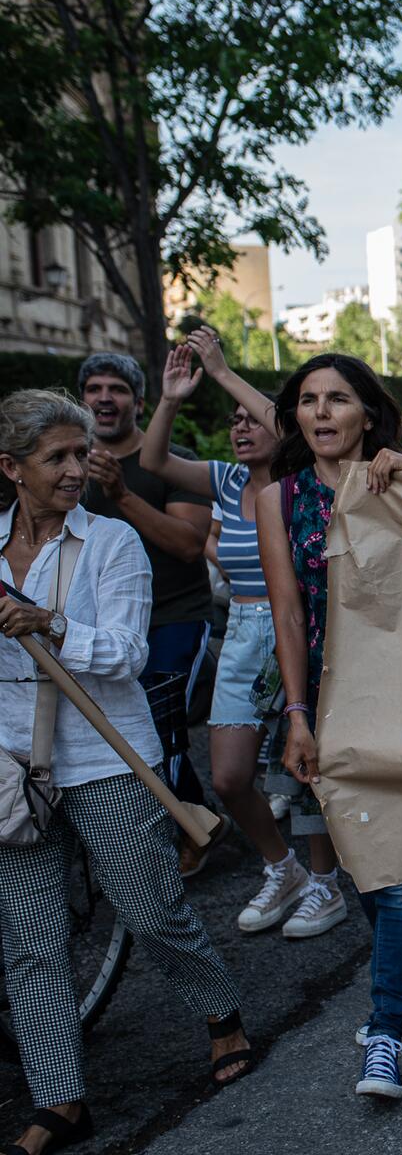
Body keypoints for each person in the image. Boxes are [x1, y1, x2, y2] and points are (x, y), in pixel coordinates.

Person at [0, 389, 254, 1155]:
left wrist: (50, 624)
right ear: (11, 468)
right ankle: (59, 1098)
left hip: (107, 758)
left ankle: (222, 1013)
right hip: (10, 766)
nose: (79, 469)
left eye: (83, 453)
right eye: (58, 458)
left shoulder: (111, 542)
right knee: (33, 945)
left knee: (150, 907)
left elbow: (126, 655)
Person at [255, 353, 402, 1100]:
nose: (321, 412)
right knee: (363, 856)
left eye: (338, 399)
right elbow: (288, 614)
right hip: (325, 703)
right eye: (307, 400)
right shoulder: (276, 497)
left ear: (368, 412)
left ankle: (385, 1028)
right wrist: (297, 715)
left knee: (397, 865)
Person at [140, 329, 336, 936]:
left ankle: (326, 885)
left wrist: (224, 370)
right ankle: (284, 869)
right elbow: (151, 462)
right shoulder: (225, 482)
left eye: (252, 418)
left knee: (309, 771)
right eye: (233, 422)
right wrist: (171, 398)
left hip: (299, 630)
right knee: (228, 777)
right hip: (246, 633)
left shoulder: (301, 487)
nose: (241, 428)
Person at [75, 353, 212, 863]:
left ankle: (180, 834)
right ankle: (194, 812)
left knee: (158, 719)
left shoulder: (172, 459)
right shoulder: (67, 464)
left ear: (138, 400)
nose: (105, 398)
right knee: (121, 726)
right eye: (94, 388)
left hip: (175, 614)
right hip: (104, 623)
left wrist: (121, 493)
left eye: (117, 388)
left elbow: (188, 544)